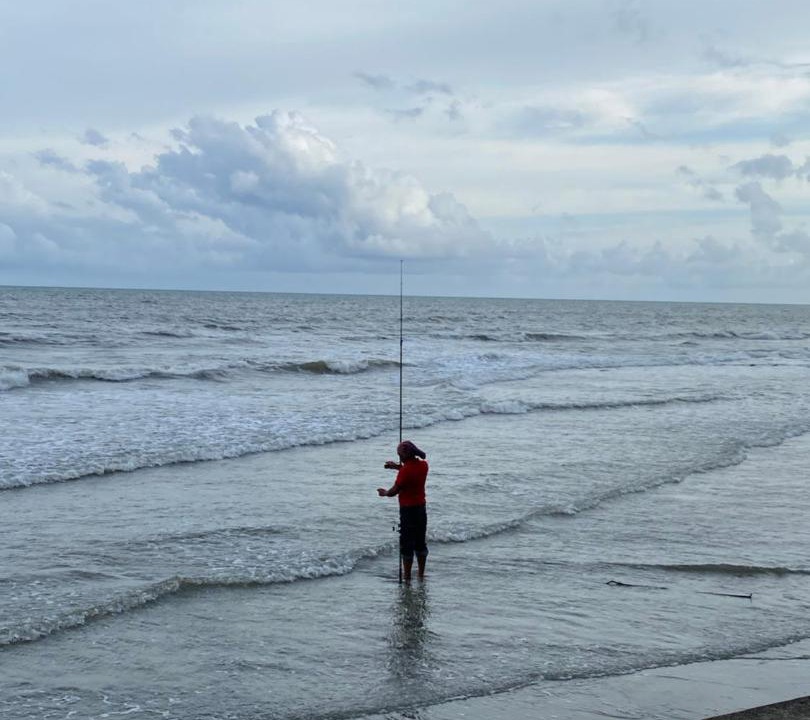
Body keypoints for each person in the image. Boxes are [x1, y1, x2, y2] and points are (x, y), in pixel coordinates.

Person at [377, 440, 429, 582]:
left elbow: (395, 490)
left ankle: (407, 576)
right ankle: (420, 574)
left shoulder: (405, 472)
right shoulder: (424, 466)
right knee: (420, 541)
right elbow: (412, 472)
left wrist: (385, 493)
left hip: (407, 510)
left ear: (405, 456)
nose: (399, 457)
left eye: (400, 455)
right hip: (421, 508)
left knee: (407, 543)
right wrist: (397, 467)